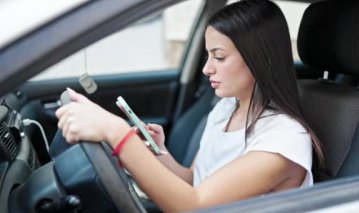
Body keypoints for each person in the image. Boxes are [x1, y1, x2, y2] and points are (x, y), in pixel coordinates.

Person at [56, 0, 324, 212]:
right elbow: (195, 179)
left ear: (258, 60)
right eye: (209, 55)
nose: (207, 68)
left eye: (219, 57)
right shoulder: (226, 108)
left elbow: (194, 205)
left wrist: (117, 133)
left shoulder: (284, 140)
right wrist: (160, 152)